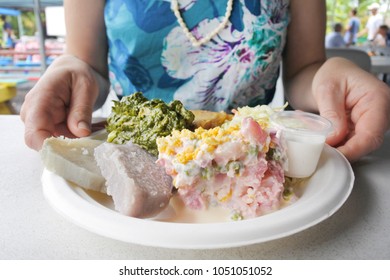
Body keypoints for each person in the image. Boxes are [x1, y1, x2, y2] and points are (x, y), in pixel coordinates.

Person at [20, 0, 390, 163]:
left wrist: (328, 74)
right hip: (136, 157)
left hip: (253, 157)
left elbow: (304, 70)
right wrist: (69, 71)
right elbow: (87, 64)